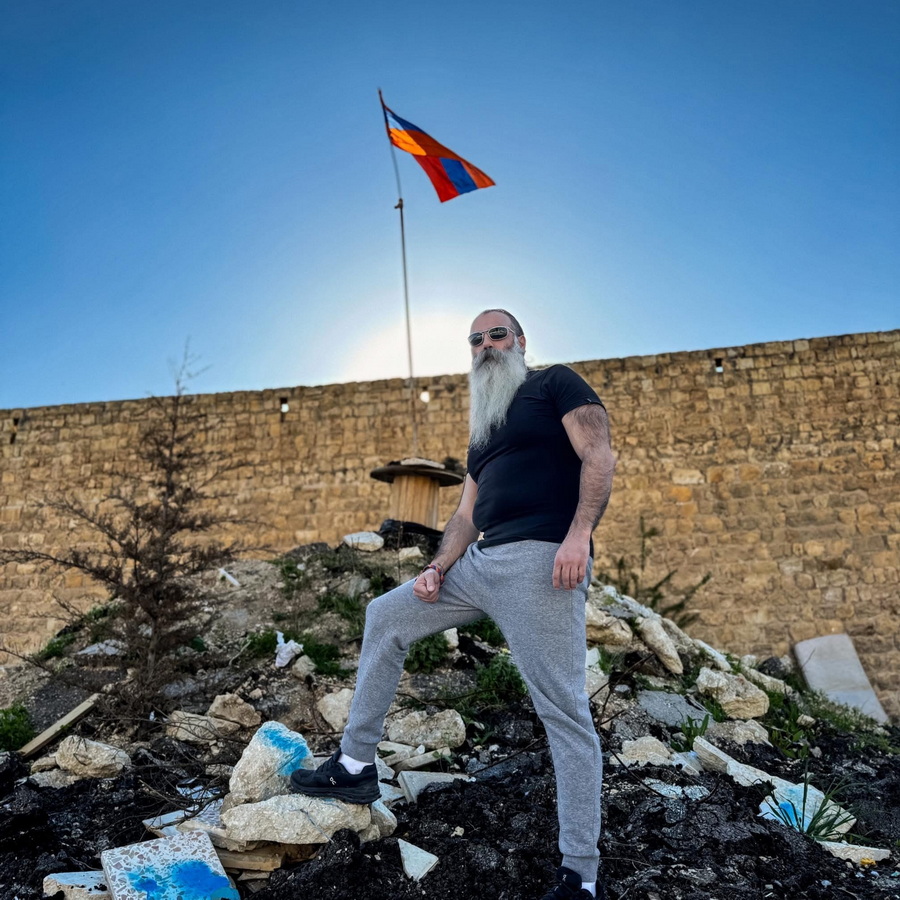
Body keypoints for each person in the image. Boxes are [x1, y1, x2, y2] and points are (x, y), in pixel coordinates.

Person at [291, 309, 616, 900]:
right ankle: (356, 766)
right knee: (384, 615)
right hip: (480, 564)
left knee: (564, 713)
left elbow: (599, 455)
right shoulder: (484, 427)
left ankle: (581, 876)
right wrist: (438, 567)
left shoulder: (555, 384)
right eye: (476, 339)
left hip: (541, 561)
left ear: (520, 342)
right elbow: (466, 515)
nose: (486, 344)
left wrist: (578, 536)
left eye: (497, 334)